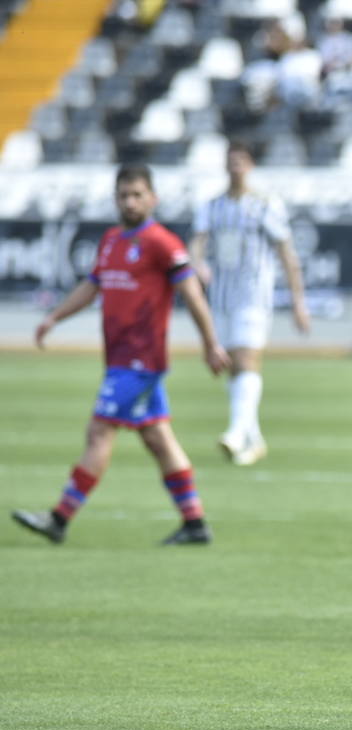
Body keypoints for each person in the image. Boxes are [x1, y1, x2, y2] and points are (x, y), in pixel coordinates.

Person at [12, 164, 230, 546]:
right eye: (123, 195)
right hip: (119, 358)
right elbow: (92, 285)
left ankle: (59, 519)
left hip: (140, 360)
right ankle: (195, 523)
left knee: (99, 431)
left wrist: (211, 343)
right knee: (157, 438)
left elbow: (192, 294)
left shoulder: (163, 243)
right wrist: (54, 317)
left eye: (137, 195)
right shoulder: (112, 240)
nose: (129, 202)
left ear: (153, 198)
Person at [190, 140, 308, 467]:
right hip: (221, 295)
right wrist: (197, 263)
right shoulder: (212, 206)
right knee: (232, 365)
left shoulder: (265, 205)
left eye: (241, 161)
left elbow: (286, 252)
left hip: (253, 293)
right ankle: (252, 438)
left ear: (251, 165)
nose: (235, 167)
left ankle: (236, 431)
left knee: (246, 357)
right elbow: (197, 243)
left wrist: (298, 300)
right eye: (231, 161)